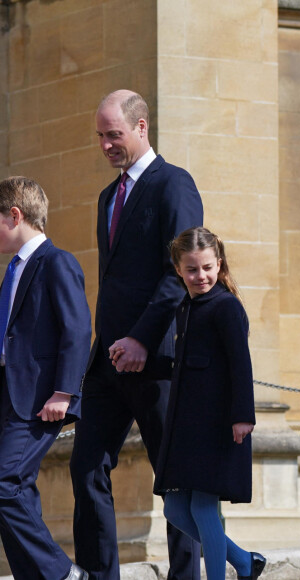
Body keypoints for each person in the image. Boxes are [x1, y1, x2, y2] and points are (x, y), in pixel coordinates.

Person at [69, 90, 204, 580]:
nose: (106, 144)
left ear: (141, 128)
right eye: (100, 136)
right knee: (85, 467)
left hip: (160, 359)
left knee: (174, 479)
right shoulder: (108, 196)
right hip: (107, 363)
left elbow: (180, 272)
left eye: (114, 134)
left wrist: (144, 338)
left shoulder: (174, 185)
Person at [144, 227, 266, 580]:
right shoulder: (186, 306)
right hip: (188, 427)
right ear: (179, 269)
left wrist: (243, 416)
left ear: (220, 264)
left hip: (218, 424)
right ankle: (244, 562)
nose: (201, 276)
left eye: (208, 267)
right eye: (193, 269)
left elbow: (241, 365)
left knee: (202, 507)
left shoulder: (226, 306)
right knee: (176, 510)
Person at [0, 176, 91, 580]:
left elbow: (76, 329)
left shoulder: (57, 261)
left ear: (14, 215)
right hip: (8, 395)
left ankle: (63, 574)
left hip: (38, 399)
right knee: (19, 488)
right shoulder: (13, 269)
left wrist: (64, 391)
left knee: (3, 484)